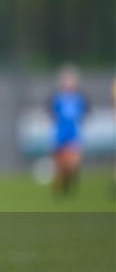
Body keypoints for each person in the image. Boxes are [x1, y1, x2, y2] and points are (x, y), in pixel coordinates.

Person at [48, 65, 89, 195]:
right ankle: (60, 184)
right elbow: (52, 114)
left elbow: (84, 114)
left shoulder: (79, 99)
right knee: (60, 162)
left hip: (73, 132)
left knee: (74, 161)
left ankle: (69, 181)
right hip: (60, 132)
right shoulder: (57, 98)